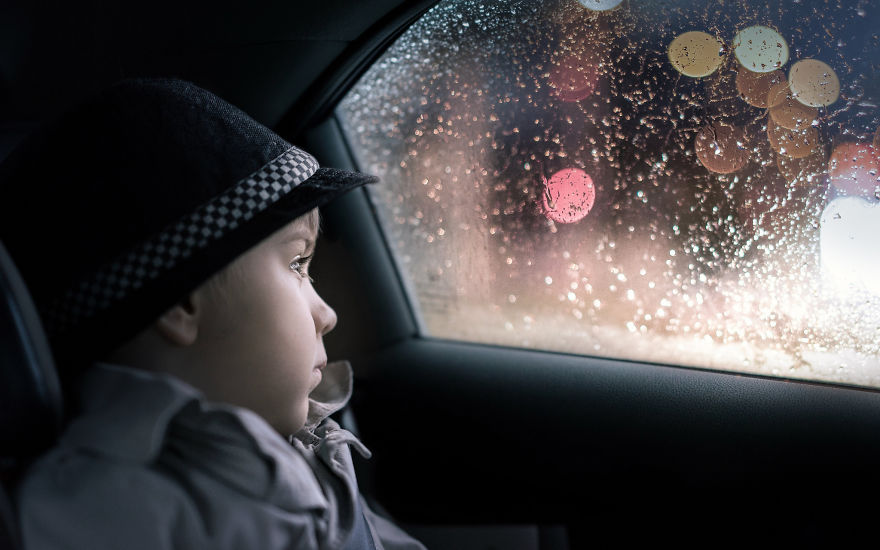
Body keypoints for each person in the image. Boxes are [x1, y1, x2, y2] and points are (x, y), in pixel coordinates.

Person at [0, 78, 426, 549]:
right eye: (296, 264)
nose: (326, 314)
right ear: (183, 299)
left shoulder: (300, 446)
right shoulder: (115, 510)